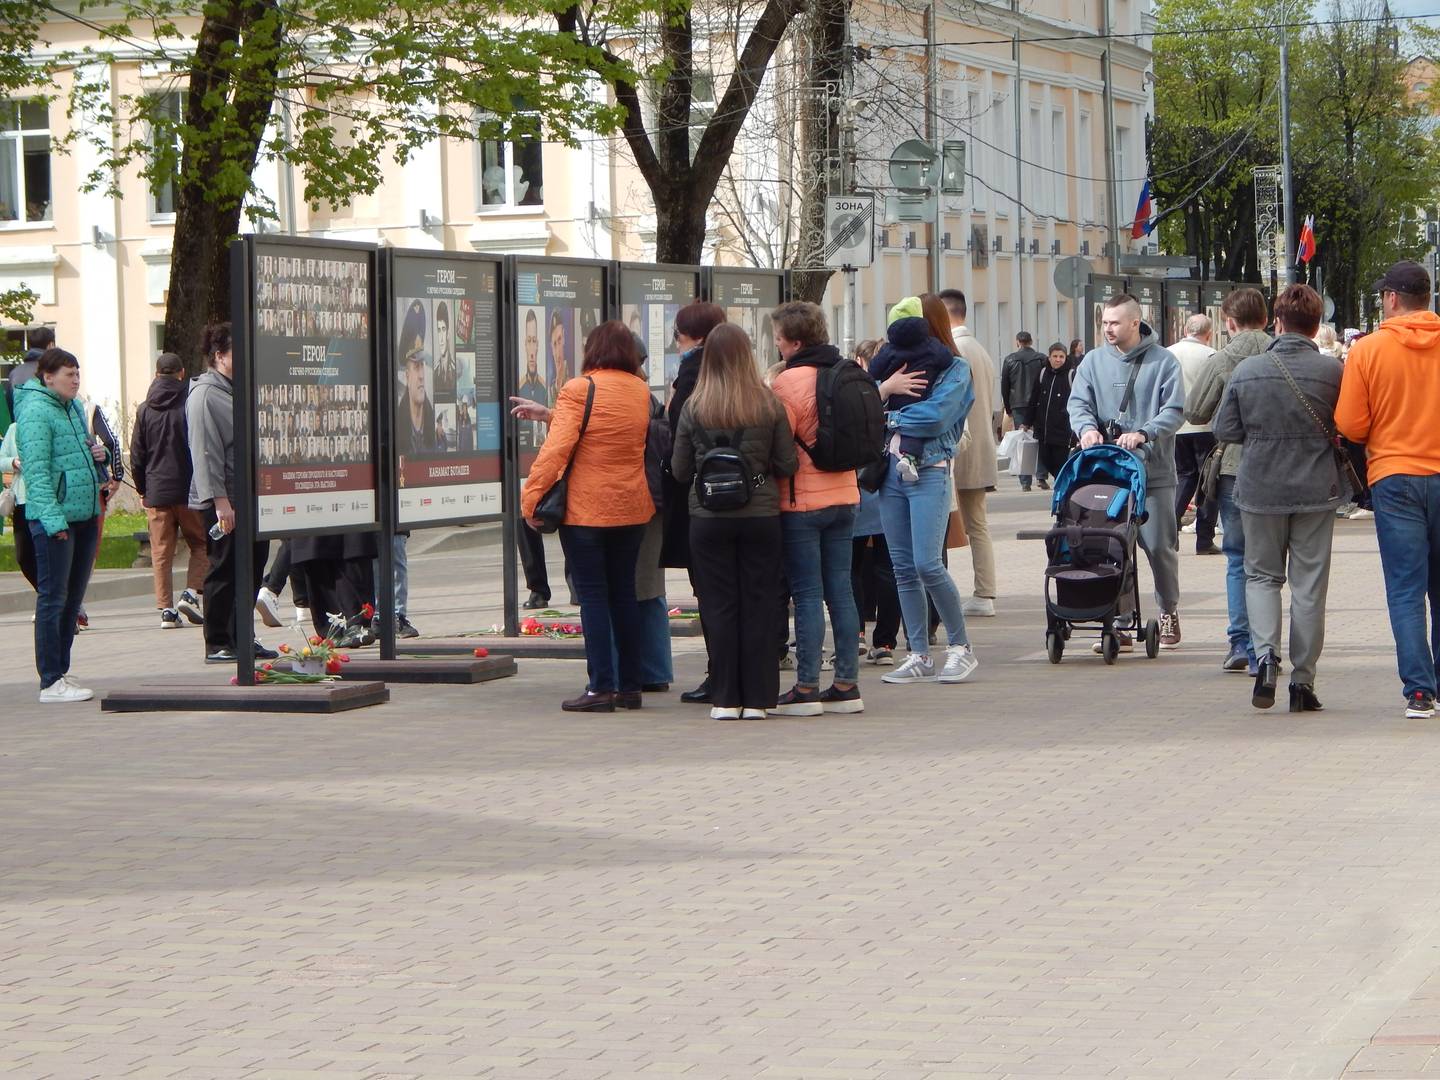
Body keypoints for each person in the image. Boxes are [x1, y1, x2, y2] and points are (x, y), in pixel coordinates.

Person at [1213, 284, 1345, 713]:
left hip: (1259, 488)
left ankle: (1266, 657)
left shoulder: (1248, 370)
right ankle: (1303, 682)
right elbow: (1351, 426)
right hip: (1315, 490)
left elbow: (1225, 430)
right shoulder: (1332, 373)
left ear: (1278, 321)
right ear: (1315, 325)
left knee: (1262, 577)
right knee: (1308, 587)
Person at [520, 321, 654, 713]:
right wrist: (551, 415)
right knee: (625, 594)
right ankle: (630, 686)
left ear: (592, 350)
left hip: (588, 511)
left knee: (593, 597)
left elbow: (556, 451)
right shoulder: (640, 391)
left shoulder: (580, 388)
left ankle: (600, 688)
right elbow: (607, 434)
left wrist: (531, 499)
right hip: (632, 506)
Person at [671, 323, 798, 719]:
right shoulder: (767, 404)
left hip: (708, 519)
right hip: (760, 516)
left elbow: (678, 470)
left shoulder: (694, 406)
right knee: (759, 604)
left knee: (718, 606)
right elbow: (786, 463)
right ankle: (759, 699)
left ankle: (725, 698)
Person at [1336, 260, 1440, 719]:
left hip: (1394, 477)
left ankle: (1419, 691)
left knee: (1405, 588)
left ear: (1393, 298)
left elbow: (1352, 425)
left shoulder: (1369, 351)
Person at [1069, 293, 1186, 652]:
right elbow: (1078, 402)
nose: (1107, 329)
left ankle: (1168, 610)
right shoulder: (1092, 361)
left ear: (1136, 322)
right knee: (1112, 546)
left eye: (1115, 322)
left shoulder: (1163, 362)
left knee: (1158, 545)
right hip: (1108, 472)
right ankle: (1118, 619)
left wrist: (1145, 433)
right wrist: (1086, 428)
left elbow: (1175, 409)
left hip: (1153, 472)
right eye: (1104, 322)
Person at [871, 295, 978, 687]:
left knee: (927, 564)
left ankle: (960, 647)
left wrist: (887, 412)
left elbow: (934, 417)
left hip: (930, 471)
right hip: (889, 473)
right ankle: (917, 653)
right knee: (901, 568)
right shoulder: (896, 366)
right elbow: (864, 405)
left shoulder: (955, 369)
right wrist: (885, 390)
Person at [769, 301, 864, 715]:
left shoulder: (787, 384)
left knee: (807, 594)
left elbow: (779, 446)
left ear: (794, 341)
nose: (777, 347)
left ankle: (806, 687)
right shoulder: (844, 372)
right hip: (846, 495)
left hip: (802, 501)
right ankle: (846, 685)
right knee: (841, 591)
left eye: (778, 340)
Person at [1185, 288, 1273, 672]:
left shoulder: (1223, 358)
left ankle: (1240, 642)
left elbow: (1195, 410)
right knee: (1267, 564)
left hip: (1234, 467)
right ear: (1267, 319)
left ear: (1229, 322)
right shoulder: (1280, 352)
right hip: (1279, 467)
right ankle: (1267, 647)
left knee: (1237, 557)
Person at [15, 348, 107, 702]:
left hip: (84, 515)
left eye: (77, 374)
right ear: (47, 376)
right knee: (53, 598)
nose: (75, 380)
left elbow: (74, 456)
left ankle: (61, 671)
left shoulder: (73, 409)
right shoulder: (36, 412)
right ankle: (50, 680)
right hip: (55, 520)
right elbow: (37, 473)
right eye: (69, 374)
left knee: (72, 599)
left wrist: (97, 454)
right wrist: (53, 520)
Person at [187, 322, 275, 664]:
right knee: (224, 568)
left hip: (251, 496)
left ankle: (243, 636)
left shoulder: (239, 389)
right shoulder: (206, 394)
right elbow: (206, 453)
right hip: (225, 500)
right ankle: (219, 641)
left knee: (252, 567)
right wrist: (220, 502)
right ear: (219, 355)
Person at [660, 301, 727, 704]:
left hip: (703, 496)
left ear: (697, 337)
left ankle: (717, 673)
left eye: (679, 336)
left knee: (709, 589)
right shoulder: (741, 371)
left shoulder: (692, 370)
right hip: (749, 498)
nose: (678, 344)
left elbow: (679, 434)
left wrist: (670, 404)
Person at [129, 351, 210, 629]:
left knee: (161, 552)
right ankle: (191, 592)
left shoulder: (144, 409)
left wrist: (142, 489)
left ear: (156, 374)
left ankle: (166, 610)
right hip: (189, 488)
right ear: (182, 373)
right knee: (201, 543)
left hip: (156, 489)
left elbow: (138, 455)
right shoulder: (190, 404)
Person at [938, 288, 999, 618]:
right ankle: (984, 590)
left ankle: (984, 592)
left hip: (962, 451)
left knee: (969, 525)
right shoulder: (979, 348)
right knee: (978, 523)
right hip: (980, 448)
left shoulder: (955, 349)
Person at [851, 339, 901, 664]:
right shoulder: (900, 391)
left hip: (857, 488)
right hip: (889, 488)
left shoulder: (860, 393)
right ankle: (885, 643)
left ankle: (855, 634)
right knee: (888, 570)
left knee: (851, 568)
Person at [1170, 314, 1221, 555]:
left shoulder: (1168, 353)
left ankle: (1170, 531)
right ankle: (1204, 539)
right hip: (1205, 427)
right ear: (1208, 333)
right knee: (1208, 483)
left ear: (1185, 329)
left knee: (1184, 476)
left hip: (1177, 427)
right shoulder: (1211, 355)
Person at [1000, 331, 1047, 490]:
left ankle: (1025, 481)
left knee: (1022, 441)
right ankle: (1041, 476)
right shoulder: (1041, 359)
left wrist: (1008, 407)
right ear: (1031, 341)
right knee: (1040, 439)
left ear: (1017, 342)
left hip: (1018, 404)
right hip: (1038, 403)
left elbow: (1005, 386)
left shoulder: (1010, 359)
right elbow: (1046, 381)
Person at [1028, 342, 1077, 483]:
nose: (1058, 360)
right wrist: (1027, 421)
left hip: (1063, 431)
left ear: (1065, 357)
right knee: (1046, 460)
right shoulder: (1043, 373)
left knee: (1060, 463)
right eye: (1055, 356)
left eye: (1061, 356)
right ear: (1049, 357)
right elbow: (1034, 397)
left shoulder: (1071, 374)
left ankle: (1061, 490)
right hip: (1043, 429)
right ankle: (1060, 484)